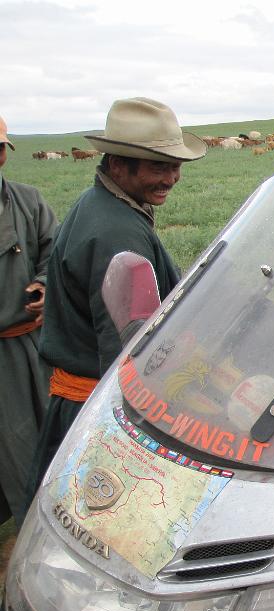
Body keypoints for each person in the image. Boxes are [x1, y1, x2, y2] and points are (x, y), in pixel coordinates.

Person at [28, 97, 207, 506]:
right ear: (118, 164)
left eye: (176, 165)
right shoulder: (115, 234)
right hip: (99, 411)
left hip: (80, 399)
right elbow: (126, 351)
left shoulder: (102, 206)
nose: (173, 178)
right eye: (159, 166)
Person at [0, 115, 57, 528]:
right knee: (13, 443)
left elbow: (54, 252)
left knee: (42, 437)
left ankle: (43, 524)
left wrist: (42, 282)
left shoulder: (28, 200)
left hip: (32, 343)